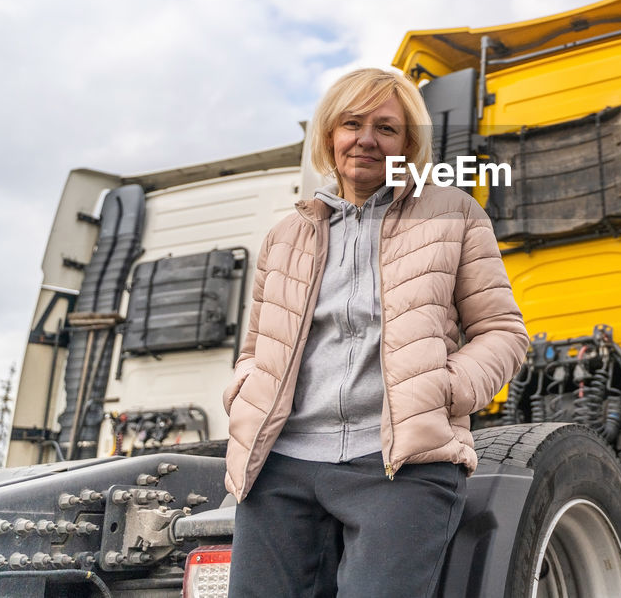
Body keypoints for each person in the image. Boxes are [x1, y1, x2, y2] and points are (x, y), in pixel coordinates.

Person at [222, 67, 530, 597]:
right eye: (351, 123)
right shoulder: (285, 235)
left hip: (399, 469)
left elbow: (503, 332)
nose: (365, 139)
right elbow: (256, 348)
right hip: (280, 469)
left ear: (408, 145)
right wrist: (245, 388)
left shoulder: (454, 214)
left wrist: (443, 390)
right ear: (329, 136)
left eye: (386, 128)